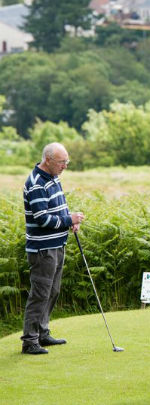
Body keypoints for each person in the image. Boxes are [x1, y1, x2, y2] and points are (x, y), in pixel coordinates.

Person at [21, 143, 85, 355]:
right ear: (48, 160)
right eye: (62, 162)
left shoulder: (53, 178)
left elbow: (60, 207)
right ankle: (30, 341)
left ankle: (42, 332)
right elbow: (42, 219)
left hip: (57, 245)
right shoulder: (37, 183)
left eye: (67, 161)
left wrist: (70, 221)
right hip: (43, 249)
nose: (65, 166)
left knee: (53, 291)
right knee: (40, 294)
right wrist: (68, 219)